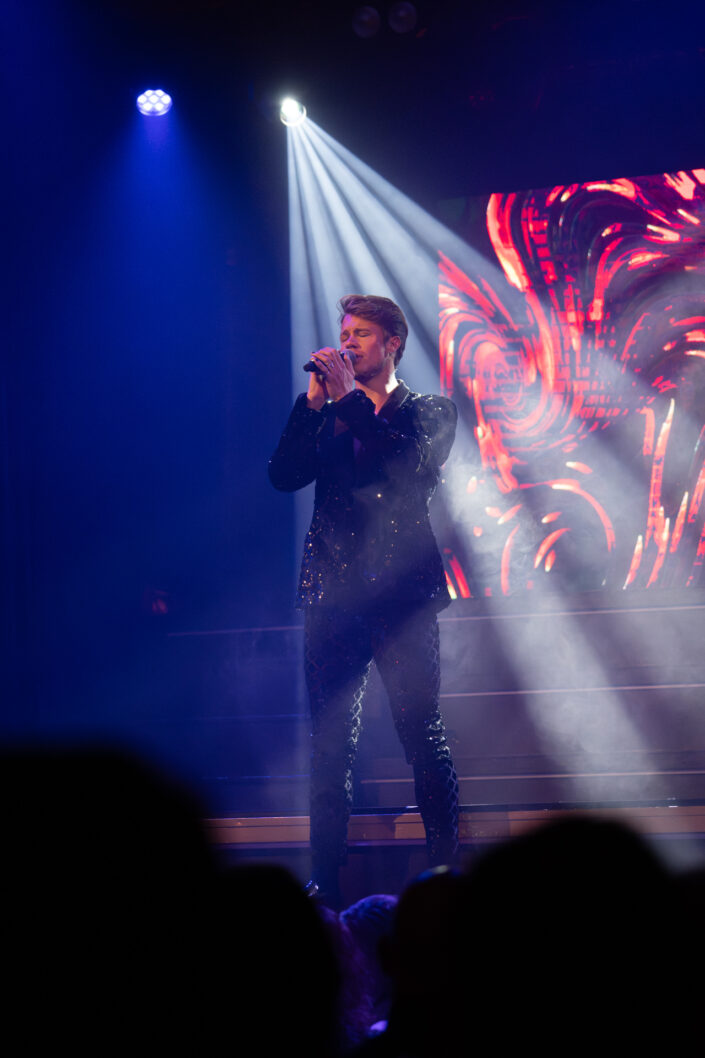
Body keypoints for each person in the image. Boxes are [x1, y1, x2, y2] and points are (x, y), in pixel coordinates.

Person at [269, 294, 459, 905]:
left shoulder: (429, 410)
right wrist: (311, 405)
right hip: (332, 595)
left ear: (392, 344)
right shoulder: (330, 415)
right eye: (344, 333)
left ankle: (444, 874)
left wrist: (349, 397)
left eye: (361, 334)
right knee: (329, 743)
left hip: (403, 598)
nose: (346, 343)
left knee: (420, 732)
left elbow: (404, 467)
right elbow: (283, 475)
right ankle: (324, 884)